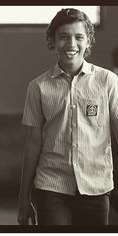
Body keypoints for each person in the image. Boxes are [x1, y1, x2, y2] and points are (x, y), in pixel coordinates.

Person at [18, 8, 118, 225]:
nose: (71, 44)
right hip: (51, 186)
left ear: (89, 41)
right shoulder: (38, 87)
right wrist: (23, 198)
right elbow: (33, 143)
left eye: (79, 37)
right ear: (52, 41)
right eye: (63, 37)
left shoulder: (108, 81)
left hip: (97, 186)